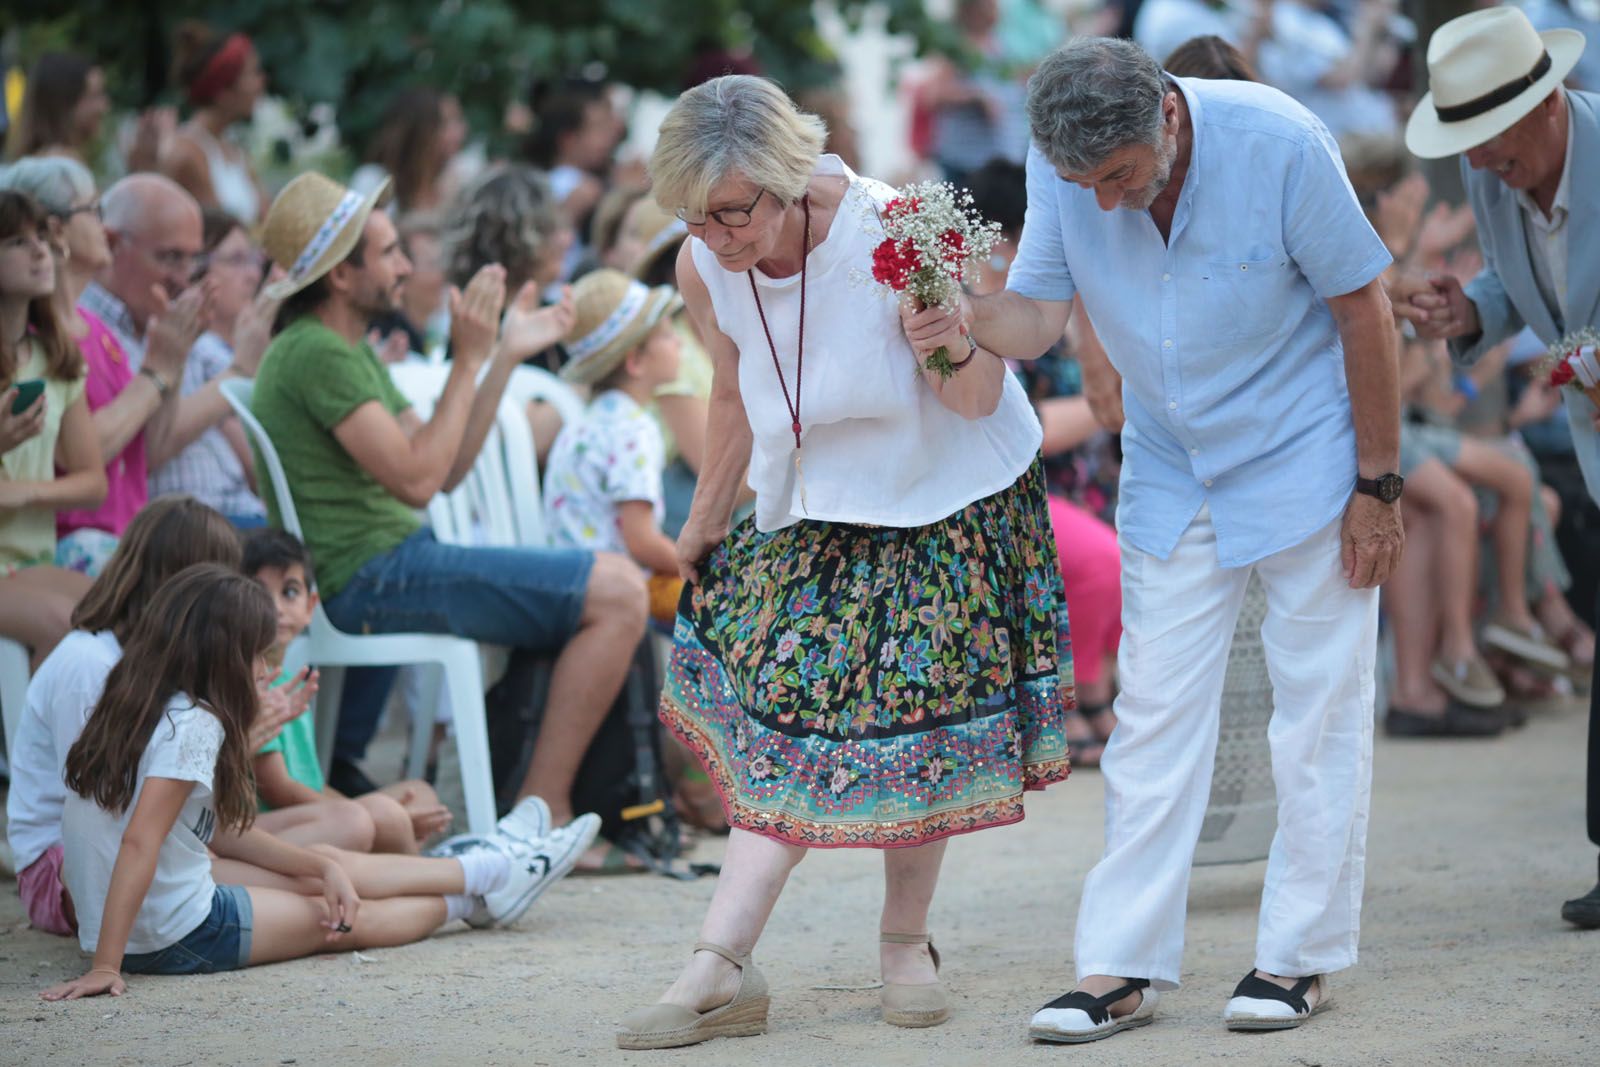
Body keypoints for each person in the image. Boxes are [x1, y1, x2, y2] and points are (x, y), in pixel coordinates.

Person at [918, 37, 1400, 1038]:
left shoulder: (1281, 138)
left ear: (1168, 119)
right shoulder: (1071, 167)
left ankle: (1297, 956)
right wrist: (955, 311)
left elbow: (1365, 309)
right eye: (1078, 183)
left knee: (1315, 712)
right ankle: (1119, 964)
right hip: (1174, 459)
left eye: (1118, 179)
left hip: (1307, 447)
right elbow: (1039, 316)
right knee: (1151, 716)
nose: (1100, 203)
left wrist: (1377, 485)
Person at [615, 74, 1069, 1050]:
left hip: (944, 503)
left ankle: (905, 941)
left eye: (732, 214)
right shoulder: (705, 265)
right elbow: (733, 393)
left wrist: (942, 336)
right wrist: (700, 524)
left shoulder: (900, 230)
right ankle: (720, 961)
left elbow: (977, 401)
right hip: (813, 512)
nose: (718, 237)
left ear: (790, 183)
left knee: (919, 727)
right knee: (787, 725)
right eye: (695, 219)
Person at [249, 170, 645, 823]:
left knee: (619, 587)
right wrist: (466, 361)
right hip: (371, 579)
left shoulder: (339, 347)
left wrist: (500, 358)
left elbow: (446, 465)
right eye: (389, 253)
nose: (407, 266)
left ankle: (535, 805)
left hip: (396, 564)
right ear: (341, 277)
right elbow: (419, 480)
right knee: (623, 590)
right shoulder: (315, 351)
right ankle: (541, 812)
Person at [37, 564, 596, 1000]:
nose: (265, 669)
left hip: (142, 923)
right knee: (344, 921)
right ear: (222, 656)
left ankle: (492, 868)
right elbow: (140, 841)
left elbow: (204, 831)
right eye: (258, 655)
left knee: (326, 873)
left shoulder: (131, 702)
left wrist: (319, 865)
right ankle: (479, 893)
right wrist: (106, 966)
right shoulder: (196, 723)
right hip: (171, 932)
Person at [1397, 6, 1600, 929]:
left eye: (1486, 136)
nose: (1473, 160)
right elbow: (1524, 285)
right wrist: (1465, 311)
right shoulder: (1496, 174)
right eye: (1463, 139)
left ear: (1551, 100)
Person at [6, 496, 246, 937]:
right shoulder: (89, 662)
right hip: (62, 868)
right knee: (284, 876)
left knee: (324, 834)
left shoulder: (145, 659)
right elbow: (98, 805)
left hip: (146, 839)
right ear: (182, 586)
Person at [243, 528, 452, 854]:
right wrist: (363, 813)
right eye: (259, 593)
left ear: (311, 605)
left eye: (290, 592)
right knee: (390, 817)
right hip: (286, 828)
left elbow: (309, 781)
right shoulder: (254, 682)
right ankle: (428, 878)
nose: (276, 608)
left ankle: (414, 870)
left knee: (418, 792)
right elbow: (279, 789)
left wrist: (360, 808)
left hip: (316, 813)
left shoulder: (288, 676)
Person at [0, 189, 104, 668]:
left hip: (27, 562)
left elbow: (92, 482)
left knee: (134, 614)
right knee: (65, 624)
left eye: (41, 235)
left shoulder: (55, 359)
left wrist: (24, 493)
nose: (41, 250)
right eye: (17, 242)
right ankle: (37, 746)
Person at [543, 269, 681, 614]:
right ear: (635, 361)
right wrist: (702, 569)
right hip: (611, 591)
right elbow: (641, 541)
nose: (678, 342)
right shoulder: (633, 429)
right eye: (666, 334)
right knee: (725, 604)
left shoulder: (590, 418)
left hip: (567, 580)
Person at [148, 208, 272, 527]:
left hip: (234, 511)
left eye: (253, 260)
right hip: (206, 519)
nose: (253, 275)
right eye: (236, 260)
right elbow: (262, 468)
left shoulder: (221, 350)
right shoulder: (201, 349)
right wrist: (243, 368)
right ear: (197, 272)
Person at [161, 22, 268, 227]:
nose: (261, 82)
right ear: (223, 93)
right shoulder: (188, 153)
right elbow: (224, 234)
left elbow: (267, 219)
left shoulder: (233, 149)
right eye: (253, 73)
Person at [350, 88, 469, 216]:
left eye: (459, 120)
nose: (462, 130)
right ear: (419, 132)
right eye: (446, 123)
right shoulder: (374, 181)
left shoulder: (457, 179)